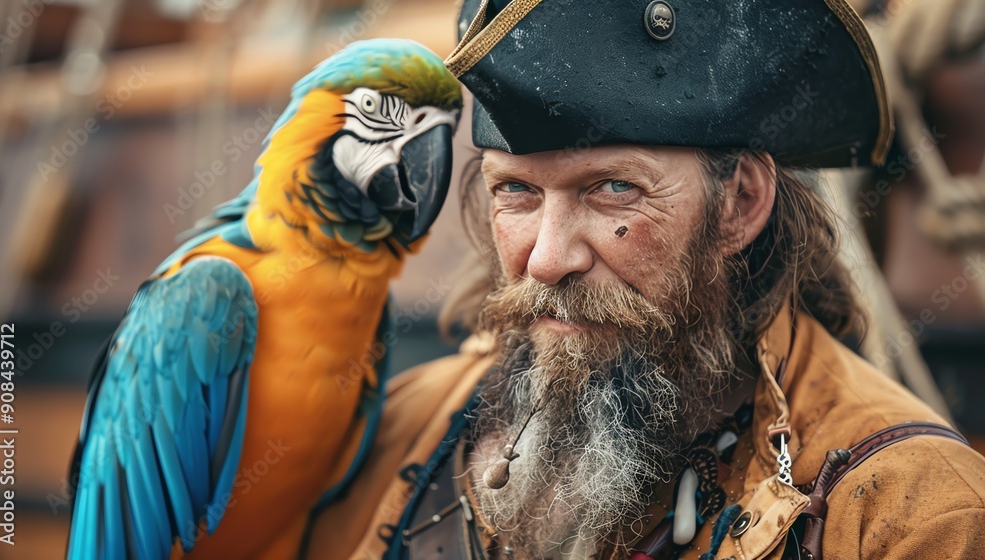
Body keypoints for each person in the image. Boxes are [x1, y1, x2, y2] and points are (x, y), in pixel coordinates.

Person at [301, 1, 985, 558]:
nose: (545, 259)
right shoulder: (403, 427)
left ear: (741, 202)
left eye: (613, 188)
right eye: (516, 192)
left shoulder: (914, 512)